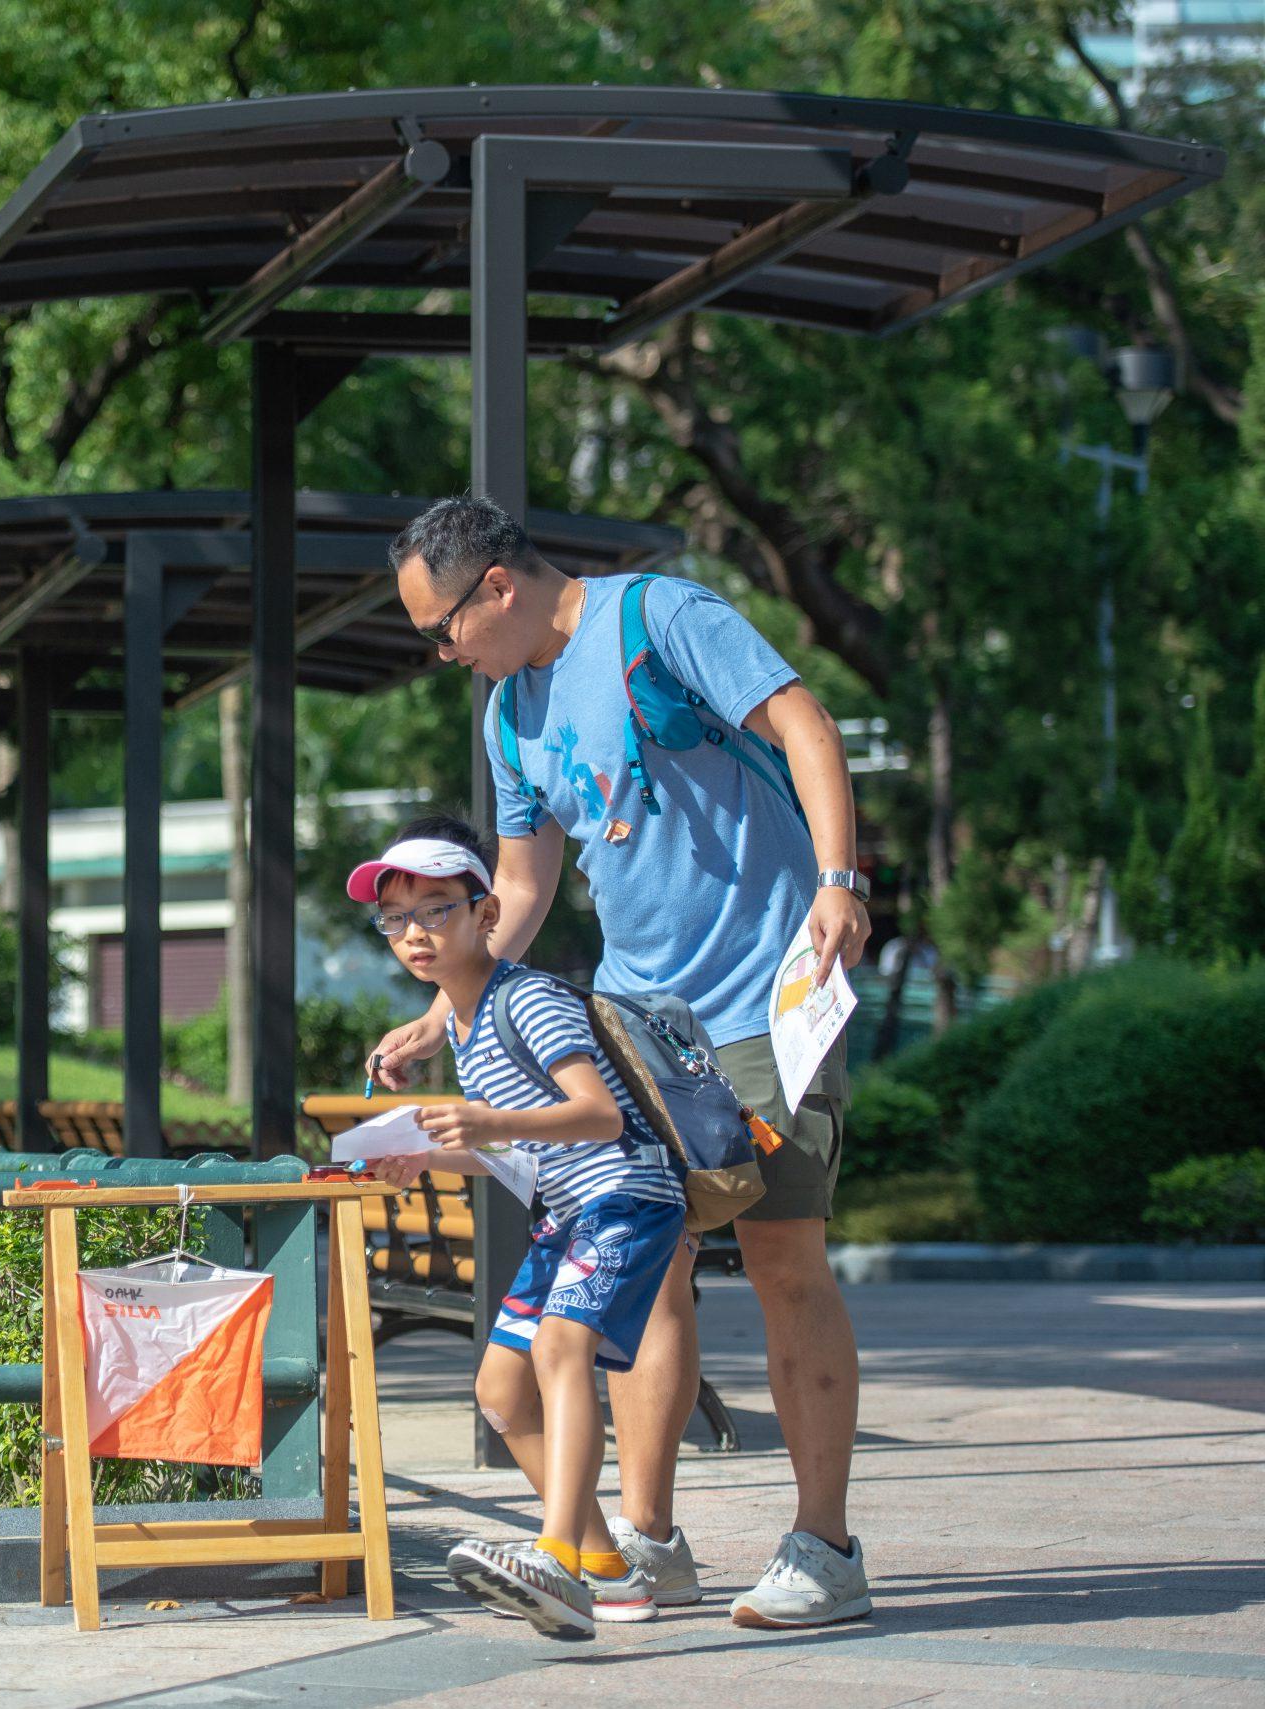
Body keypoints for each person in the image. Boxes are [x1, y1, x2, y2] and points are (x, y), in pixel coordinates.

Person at [372, 495, 873, 1630]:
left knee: (782, 1257)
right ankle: (649, 1546)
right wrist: (446, 1009)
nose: (443, 653)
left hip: (764, 996)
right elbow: (522, 883)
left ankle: (826, 1546)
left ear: (498, 585)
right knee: (649, 1263)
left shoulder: (659, 619)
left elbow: (806, 725)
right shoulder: (510, 712)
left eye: (443, 629)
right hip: (636, 1019)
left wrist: (839, 879)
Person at [348, 817, 686, 1637]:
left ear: (486, 912)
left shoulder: (527, 998)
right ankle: (609, 1571)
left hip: (626, 1195)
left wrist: (487, 1120)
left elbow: (599, 1115)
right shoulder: (465, 1027)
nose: (415, 932)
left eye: (436, 909)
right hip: (566, 1212)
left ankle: (557, 1558)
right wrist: (428, 1157)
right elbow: (519, 1152)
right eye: (396, 918)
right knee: (500, 1390)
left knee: (559, 1349)